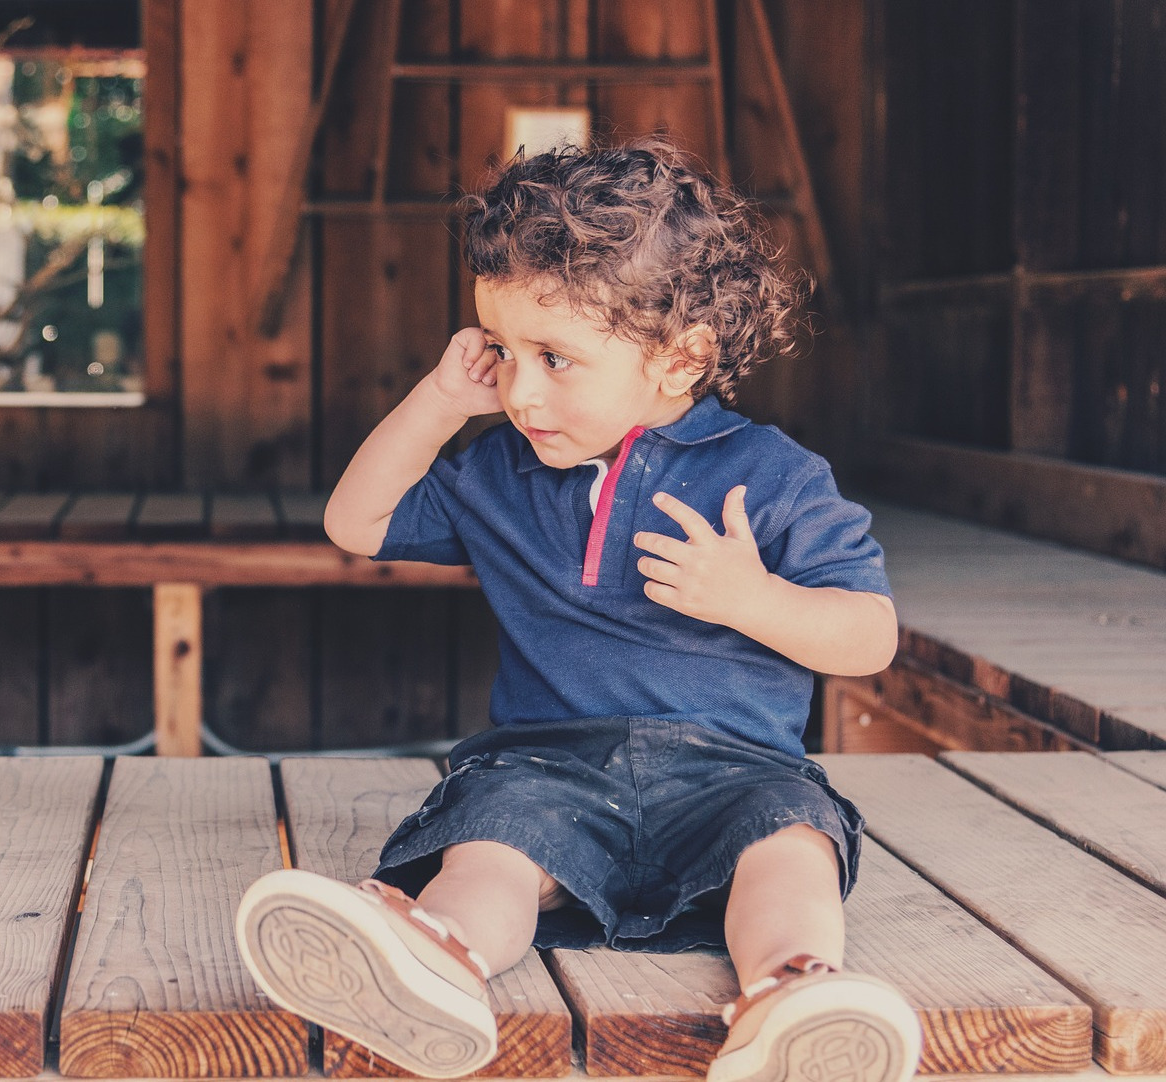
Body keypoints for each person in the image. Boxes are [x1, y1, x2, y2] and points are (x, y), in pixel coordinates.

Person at [233, 139, 923, 1082]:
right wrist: (440, 401)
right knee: (496, 844)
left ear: (681, 361)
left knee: (791, 843)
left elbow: (870, 637)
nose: (518, 391)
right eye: (503, 352)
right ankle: (437, 961)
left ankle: (791, 996)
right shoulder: (500, 474)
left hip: (734, 773)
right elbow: (357, 521)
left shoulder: (773, 478)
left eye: (555, 358)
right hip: (548, 766)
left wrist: (751, 598)